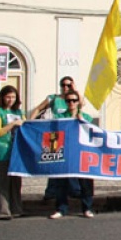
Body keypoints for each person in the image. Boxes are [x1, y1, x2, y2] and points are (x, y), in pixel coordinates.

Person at [49, 91, 95, 219]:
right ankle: (61, 209)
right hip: (65, 152)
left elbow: (92, 133)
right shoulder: (60, 116)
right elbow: (54, 132)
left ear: (78, 102)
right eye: (68, 100)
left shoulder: (86, 117)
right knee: (61, 182)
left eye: (74, 100)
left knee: (85, 182)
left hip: (82, 153)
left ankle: (87, 208)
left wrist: (83, 121)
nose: (71, 103)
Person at [0, 86, 25, 219]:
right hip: (3, 150)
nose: (11, 100)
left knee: (16, 182)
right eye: (8, 97)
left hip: (17, 150)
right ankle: (2, 211)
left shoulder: (19, 112)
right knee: (3, 181)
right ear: (2, 97)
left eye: (13, 97)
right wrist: (12, 124)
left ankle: (16, 208)